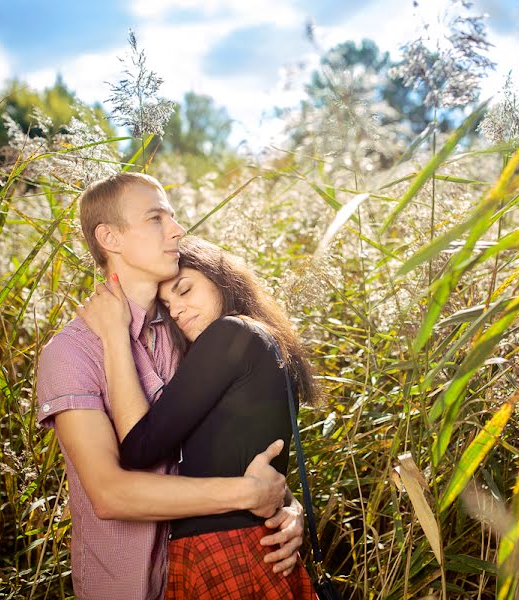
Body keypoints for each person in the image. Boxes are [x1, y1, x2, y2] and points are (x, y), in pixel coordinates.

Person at [35, 173, 304, 600]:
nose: (177, 230)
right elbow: (109, 494)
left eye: (174, 217)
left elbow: (234, 443)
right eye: (156, 218)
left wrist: (287, 507)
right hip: (127, 590)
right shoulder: (72, 352)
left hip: (213, 570)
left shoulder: (190, 334)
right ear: (110, 237)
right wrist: (248, 494)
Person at [77, 236, 317, 599]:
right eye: (168, 304)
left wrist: (114, 336)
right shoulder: (261, 342)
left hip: (228, 550)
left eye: (185, 290)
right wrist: (289, 503)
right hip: (248, 545)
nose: (177, 310)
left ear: (221, 278)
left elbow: (139, 448)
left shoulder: (230, 334)